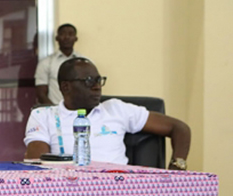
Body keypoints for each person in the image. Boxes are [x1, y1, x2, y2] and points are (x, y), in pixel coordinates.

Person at [24, 58, 191, 168]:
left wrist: (177, 167)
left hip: (120, 195)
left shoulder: (116, 109)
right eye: (89, 81)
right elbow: (37, 167)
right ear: (66, 86)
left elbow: (179, 128)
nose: (98, 86)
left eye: (99, 80)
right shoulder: (44, 116)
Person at [35, 24, 85, 106]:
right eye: (63, 34)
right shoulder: (46, 63)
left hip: (80, 112)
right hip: (55, 110)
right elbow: (41, 94)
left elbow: (89, 90)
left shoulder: (84, 62)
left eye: (70, 34)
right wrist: (55, 111)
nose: (67, 37)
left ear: (76, 38)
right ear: (57, 38)